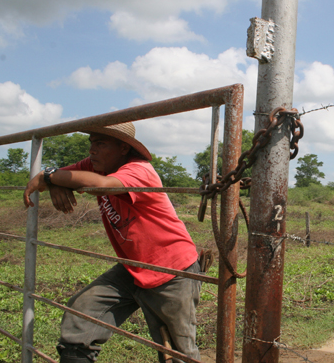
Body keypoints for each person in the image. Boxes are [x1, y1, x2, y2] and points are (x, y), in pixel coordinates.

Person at [23, 122, 202, 363]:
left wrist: (50, 176)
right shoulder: (97, 166)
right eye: (92, 143)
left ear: (123, 148)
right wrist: (55, 181)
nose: (92, 150)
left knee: (177, 352)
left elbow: (101, 186)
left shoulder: (139, 170)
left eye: (101, 143)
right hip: (132, 267)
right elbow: (63, 176)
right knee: (82, 312)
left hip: (170, 269)